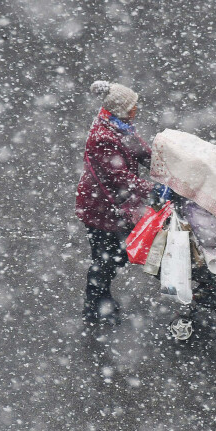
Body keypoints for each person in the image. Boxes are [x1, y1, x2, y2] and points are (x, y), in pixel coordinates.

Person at [75, 80, 168, 325]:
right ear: (121, 109)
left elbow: (141, 151)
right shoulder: (103, 137)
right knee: (106, 259)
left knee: (114, 255)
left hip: (114, 206)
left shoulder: (120, 125)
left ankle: (100, 301)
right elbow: (120, 177)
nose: (137, 109)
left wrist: (166, 167)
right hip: (102, 209)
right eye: (133, 106)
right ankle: (94, 308)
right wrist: (155, 187)